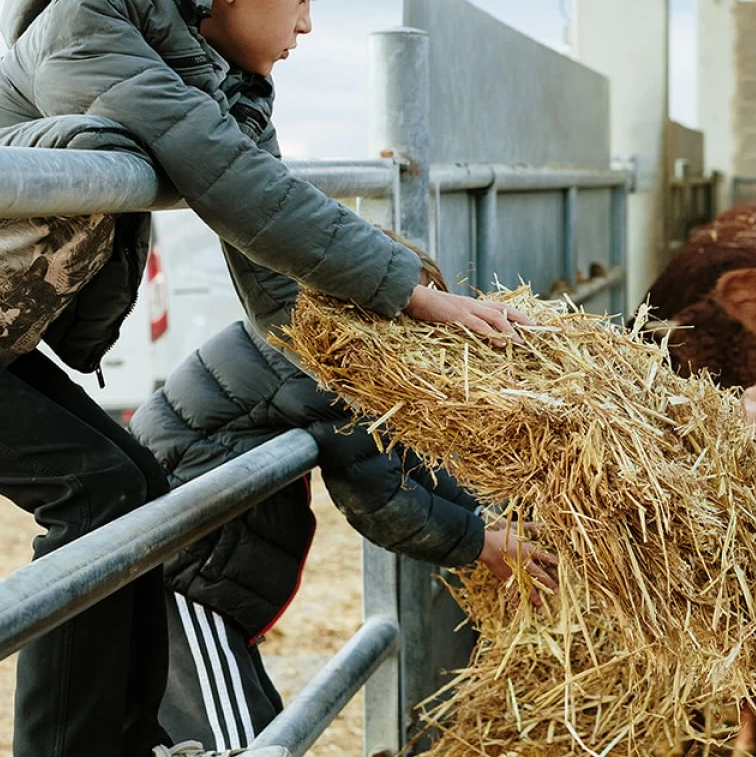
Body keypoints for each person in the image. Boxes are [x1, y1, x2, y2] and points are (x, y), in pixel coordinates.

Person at [0, 0, 528, 753]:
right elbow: (234, 181)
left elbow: (264, 258)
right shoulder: (95, 10)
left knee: (137, 485)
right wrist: (409, 289)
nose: (308, 24)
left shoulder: (205, 65)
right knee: (94, 492)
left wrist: (377, 362)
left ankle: (128, 737)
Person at [129, 244, 555, 751]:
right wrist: (481, 543)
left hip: (193, 561)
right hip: (178, 569)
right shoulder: (325, 365)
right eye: (418, 318)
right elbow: (382, 500)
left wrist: (483, 520)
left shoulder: (307, 336)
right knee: (239, 743)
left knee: (257, 727)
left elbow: (400, 462)